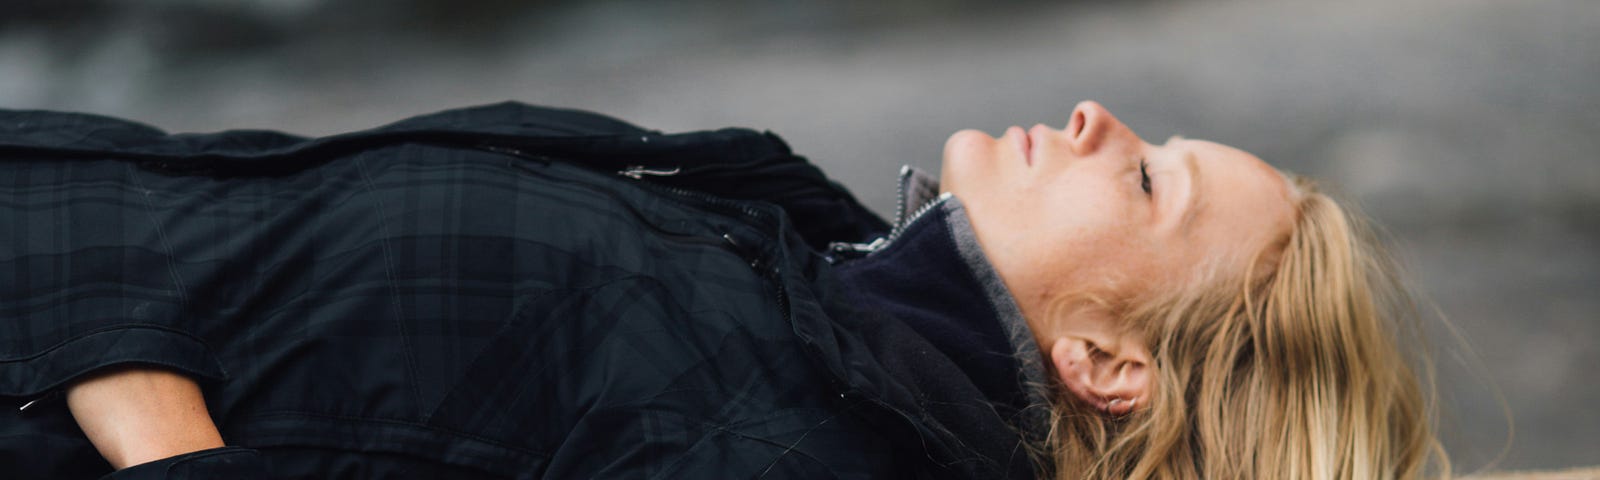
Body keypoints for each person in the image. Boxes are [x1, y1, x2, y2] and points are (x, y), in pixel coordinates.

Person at [0, 101, 1447, 479]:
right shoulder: (813, 272)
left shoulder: (799, 451)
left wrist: (133, 385)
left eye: (1146, 182)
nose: (1092, 122)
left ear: (1105, 361)